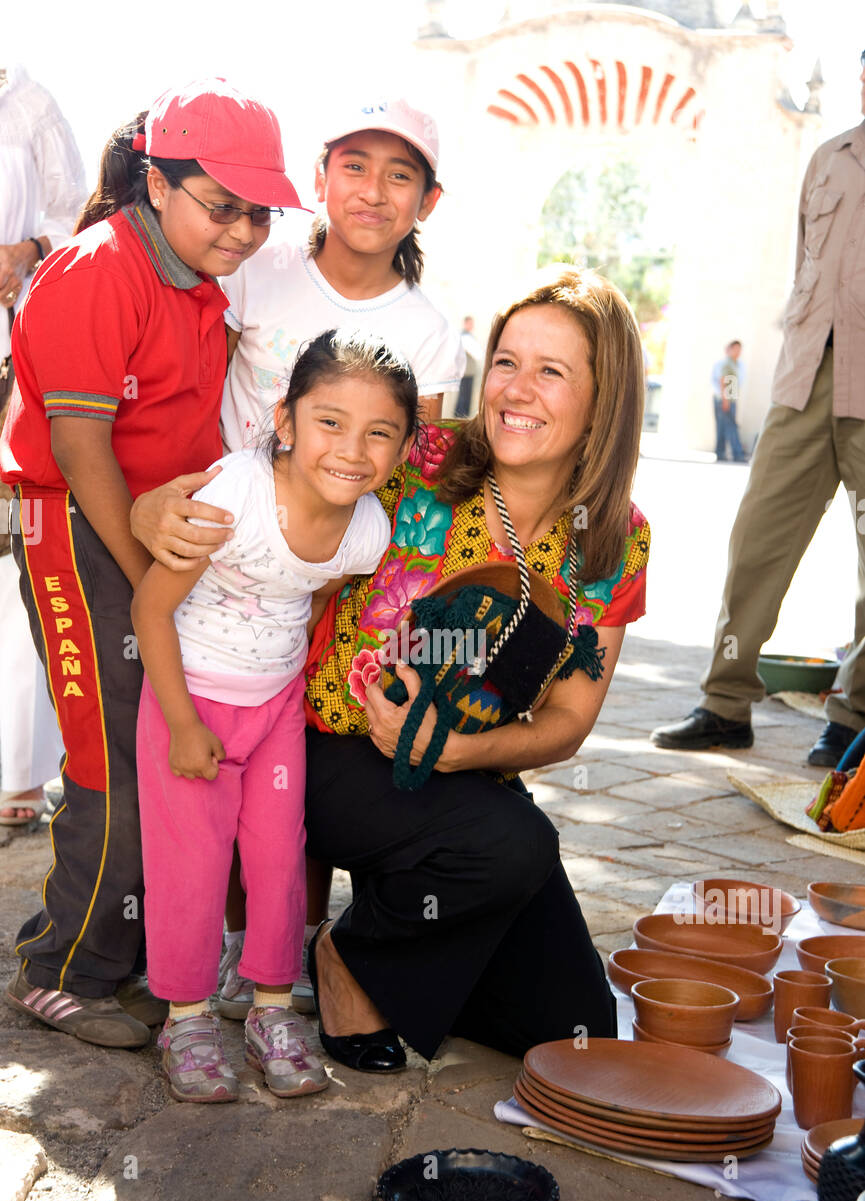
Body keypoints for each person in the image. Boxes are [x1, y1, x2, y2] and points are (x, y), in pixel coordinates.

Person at [134, 266, 650, 1067]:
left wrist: (462, 753)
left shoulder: (615, 537)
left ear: (603, 396)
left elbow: (568, 722)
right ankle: (346, 961)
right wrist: (152, 506)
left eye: (552, 372)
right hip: (326, 748)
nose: (516, 389)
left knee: (570, 1024)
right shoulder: (419, 455)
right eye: (507, 360)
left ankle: (412, 910)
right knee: (512, 846)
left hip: (459, 770)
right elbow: (272, 480)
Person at [0, 77, 303, 1048]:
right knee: (113, 757)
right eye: (223, 206)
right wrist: (147, 583)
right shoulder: (96, 267)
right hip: (79, 530)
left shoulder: (197, 283)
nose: (244, 230)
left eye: (258, 212)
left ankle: (123, 947)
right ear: (158, 184)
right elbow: (85, 450)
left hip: (153, 536)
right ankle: (63, 970)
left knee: (169, 748)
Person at [132, 329, 414, 1101]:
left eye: (378, 432)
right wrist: (184, 723)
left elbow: (306, 601)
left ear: (400, 447)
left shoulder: (366, 531)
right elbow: (149, 608)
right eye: (329, 421)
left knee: (278, 861)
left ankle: (268, 1008)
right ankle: (186, 1019)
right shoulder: (235, 495)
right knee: (190, 865)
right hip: (190, 699)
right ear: (284, 422)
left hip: (276, 708)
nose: (351, 449)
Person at [653, 54, 865, 769]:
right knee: (756, 543)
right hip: (803, 382)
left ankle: (851, 718)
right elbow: (806, 261)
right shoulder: (827, 159)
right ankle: (723, 704)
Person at [220, 95, 464, 451]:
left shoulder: (430, 336)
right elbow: (196, 399)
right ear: (320, 180)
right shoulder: (252, 270)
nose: (373, 192)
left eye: (399, 175)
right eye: (355, 167)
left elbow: (412, 471)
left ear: (428, 200)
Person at [0, 64, 85, 829]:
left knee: (14, 561)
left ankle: (17, 776)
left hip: (10, 365)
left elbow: (76, 223)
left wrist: (23, 249)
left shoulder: (26, 102)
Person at [711, 339, 746, 462]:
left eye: (739, 349)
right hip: (725, 399)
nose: (738, 352)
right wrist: (725, 400)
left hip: (730, 398)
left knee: (726, 426)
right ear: (729, 349)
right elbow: (723, 380)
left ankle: (721, 453)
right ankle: (737, 454)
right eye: (735, 349)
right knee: (730, 427)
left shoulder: (737, 364)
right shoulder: (727, 364)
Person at [454, 314, 482, 417]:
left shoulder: (469, 336)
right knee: (463, 399)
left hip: (469, 373)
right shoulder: (465, 337)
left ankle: (462, 418)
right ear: (465, 323)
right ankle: (460, 418)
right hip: (465, 373)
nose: (471, 325)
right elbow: (478, 354)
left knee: (466, 399)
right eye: (470, 323)